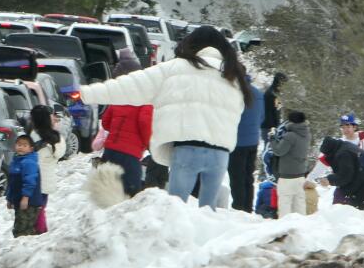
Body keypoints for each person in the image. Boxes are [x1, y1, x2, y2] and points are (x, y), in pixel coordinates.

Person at [79, 26, 250, 209]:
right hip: (220, 153)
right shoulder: (233, 75)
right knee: (208, 210)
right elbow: (238, 111)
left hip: (187, 149)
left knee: (176, 208)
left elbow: (133, 85)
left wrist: (88, 93)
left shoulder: (176, 67)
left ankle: (176, 236)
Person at [97, 57, 154, 197]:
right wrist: (148, 143)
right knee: (131, 191)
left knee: (108, 188)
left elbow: (105, 122)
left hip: (110, 150)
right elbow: (144, 122)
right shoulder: (145, 98)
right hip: (130, 154)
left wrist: (118, 128)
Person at [230, 75, 266, 211]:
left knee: (236, 176)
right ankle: (247, 207)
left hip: (237, 140)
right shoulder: (257, 93)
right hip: (253, 140)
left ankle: (238, 207)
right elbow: (262, 117)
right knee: (248, 176)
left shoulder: (235, 93)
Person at [272, 111, 311, 217]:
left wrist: (272, 139)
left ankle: (284, 231)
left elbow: (278, 151)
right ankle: (300, 230)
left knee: (285, 207)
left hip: (287, 177)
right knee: (299, 207)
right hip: (300, 176)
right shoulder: (307, 134)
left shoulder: (290, 136)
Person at [7, 134, 42, 236]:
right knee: (19, 225)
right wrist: (9, 199)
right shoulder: (16, 161)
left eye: (24, 145)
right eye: (19, 144)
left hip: (29, 202)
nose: (21, 147)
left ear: (31, 149)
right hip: (19, 201)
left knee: (23, 228)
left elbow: (30, 182)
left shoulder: (29, 162)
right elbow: (12, 183)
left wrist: (26, 197)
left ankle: (25, 249)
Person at [261, 73, 286, 137]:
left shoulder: (272, 92)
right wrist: (277, 126)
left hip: (268, 125)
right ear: (280, 82)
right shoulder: (274, 94)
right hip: (270, 127)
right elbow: (276, 110)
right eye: (284, 83)